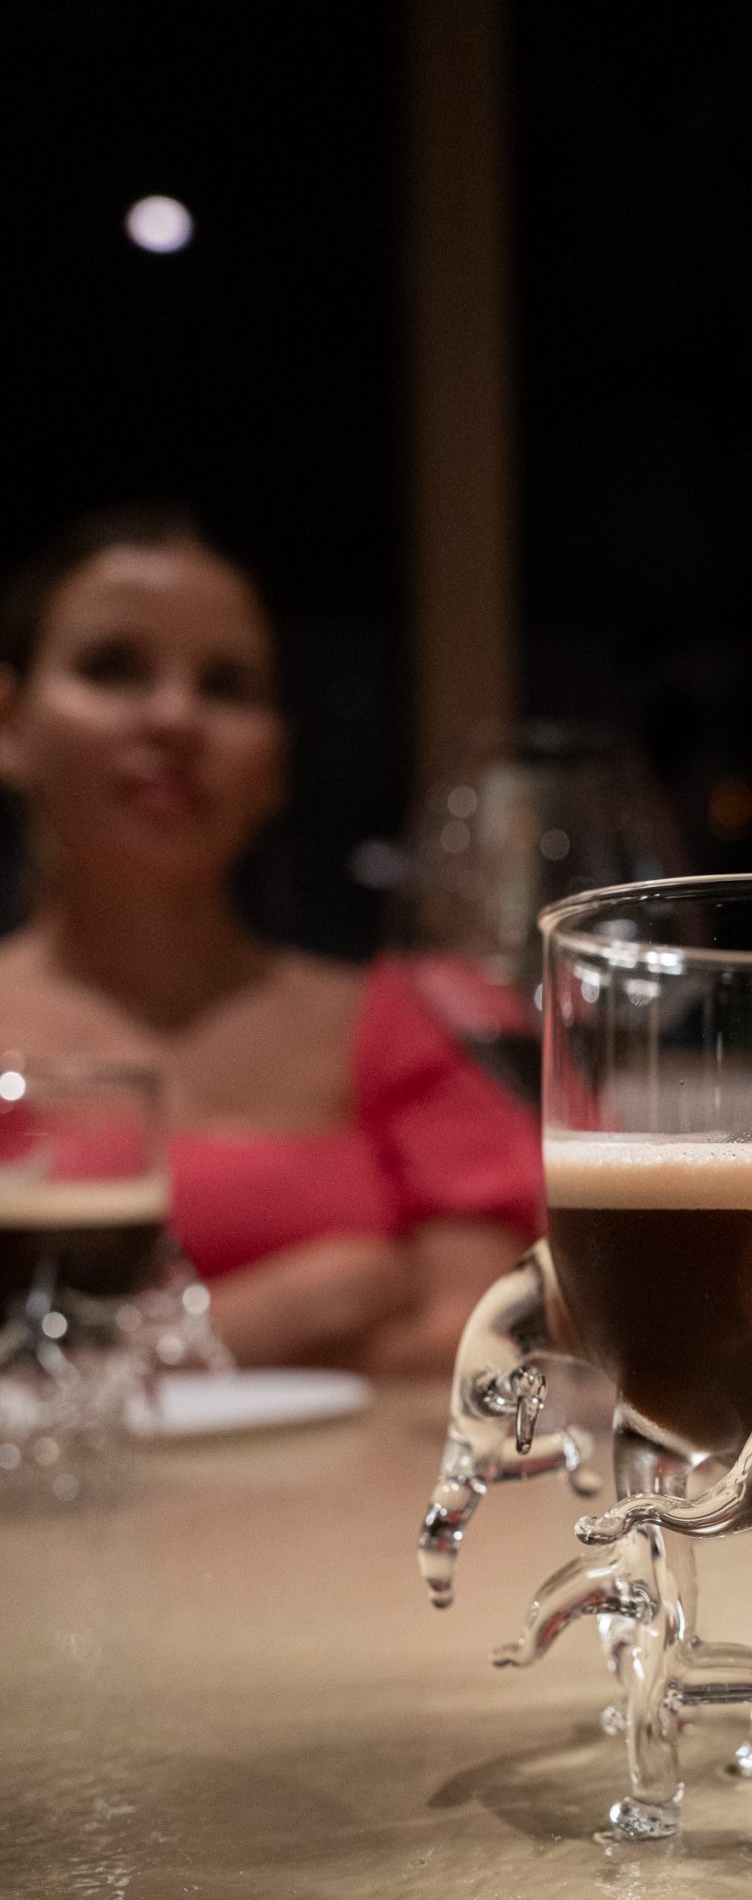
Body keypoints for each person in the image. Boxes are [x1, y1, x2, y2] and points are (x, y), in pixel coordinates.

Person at [0, 506, 542, 1374]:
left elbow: (488, 1348)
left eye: (227, 686)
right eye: (113, 669)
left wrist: (84, 1361)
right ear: (10, 723)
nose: (176, 717)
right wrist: (302, 1302)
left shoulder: (412, 1021)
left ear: (275, 763)